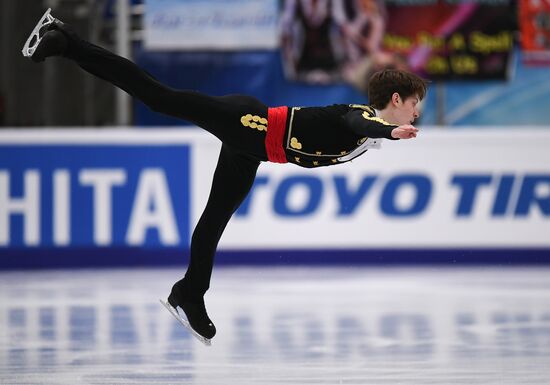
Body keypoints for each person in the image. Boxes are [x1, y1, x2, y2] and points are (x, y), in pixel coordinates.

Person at [23, 9, 427, 344]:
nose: (415, 114)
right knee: (158, 97)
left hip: (254, 150)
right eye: (414, 106)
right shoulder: (367, 118)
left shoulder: (369, 124)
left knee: (214, 219)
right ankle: (66, 39)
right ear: (395, 100)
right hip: (249, 124)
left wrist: (385, 133)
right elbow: (359, 121)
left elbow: (359, 128)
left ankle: (189, 293)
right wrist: (390, 130)